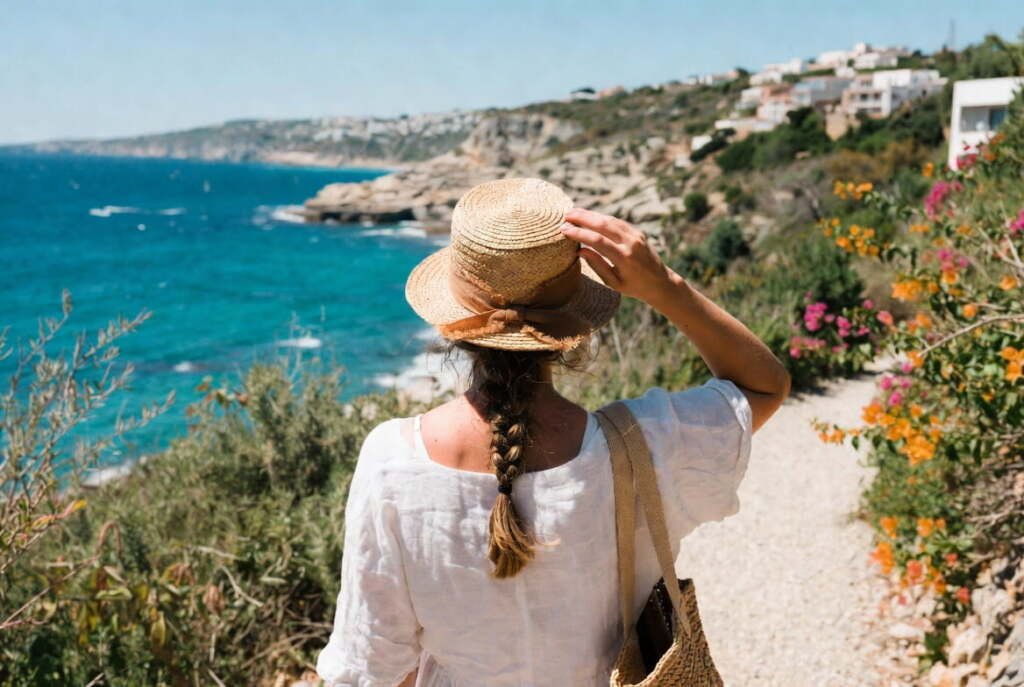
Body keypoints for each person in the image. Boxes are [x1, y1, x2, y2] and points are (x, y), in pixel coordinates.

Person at [316, 178, 791, 686]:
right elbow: (763, 385)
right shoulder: (645, 446)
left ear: (451, 325)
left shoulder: (393, 461)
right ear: (573, 329)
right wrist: (663, 286)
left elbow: (372, 667)